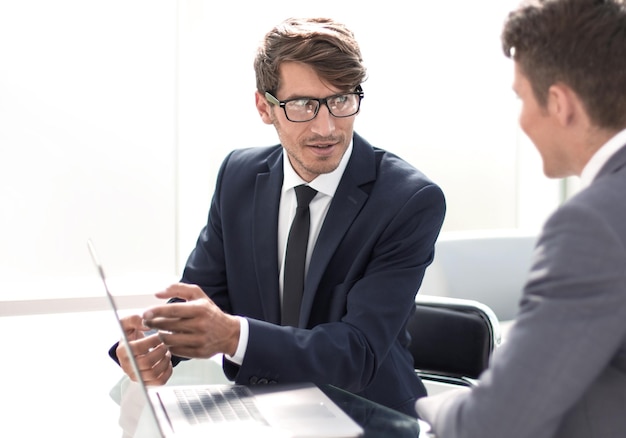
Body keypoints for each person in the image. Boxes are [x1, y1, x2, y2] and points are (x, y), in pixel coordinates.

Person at [109, 17, 446, 417]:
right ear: (264, 107)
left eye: (341, 100)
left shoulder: (409, 200)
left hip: (367, 415)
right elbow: (204, 296)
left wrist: (234, 335)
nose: (327, 127)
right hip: (260, 412)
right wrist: (152, 345)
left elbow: (357, 352)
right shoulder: (238, 176)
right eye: (303, 105)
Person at [415, 0, 626, 436]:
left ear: (559, 102)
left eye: (520, 97)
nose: (522, 119)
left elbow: (494, 423)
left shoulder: (592, 225)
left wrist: (434, 405)